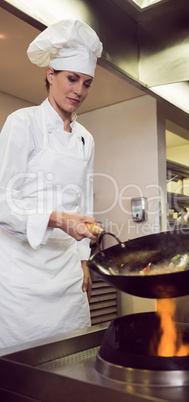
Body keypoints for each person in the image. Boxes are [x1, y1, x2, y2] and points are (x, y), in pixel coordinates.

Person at [0, 20, 103, 349]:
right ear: (51, 74)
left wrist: (83, 260)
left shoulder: (86, 139)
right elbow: (3, 200)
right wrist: (58, 219)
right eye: (72, 79)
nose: (79, 91)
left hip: (67, 274)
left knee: (74, 358)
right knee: (24, 371)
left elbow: (83, 205)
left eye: (86, 83)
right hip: (22, 277)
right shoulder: (22, 123)